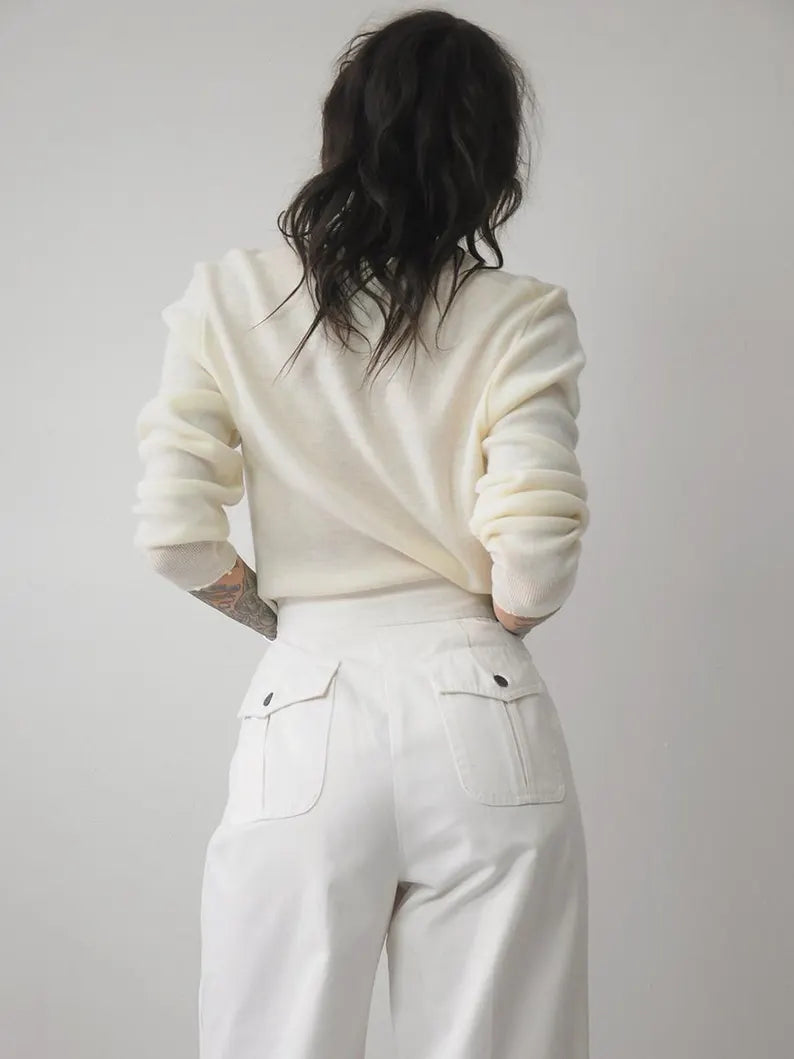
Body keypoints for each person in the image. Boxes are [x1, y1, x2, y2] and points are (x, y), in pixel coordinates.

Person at [132, 9, 590, 1058]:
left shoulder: (229, 298)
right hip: (481, 702)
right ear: (491, 159)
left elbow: (175, 534)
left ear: (342, 132)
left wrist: (288, 623)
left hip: (307, 701)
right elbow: (533, 566)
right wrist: (474, 627)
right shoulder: (521, 314)